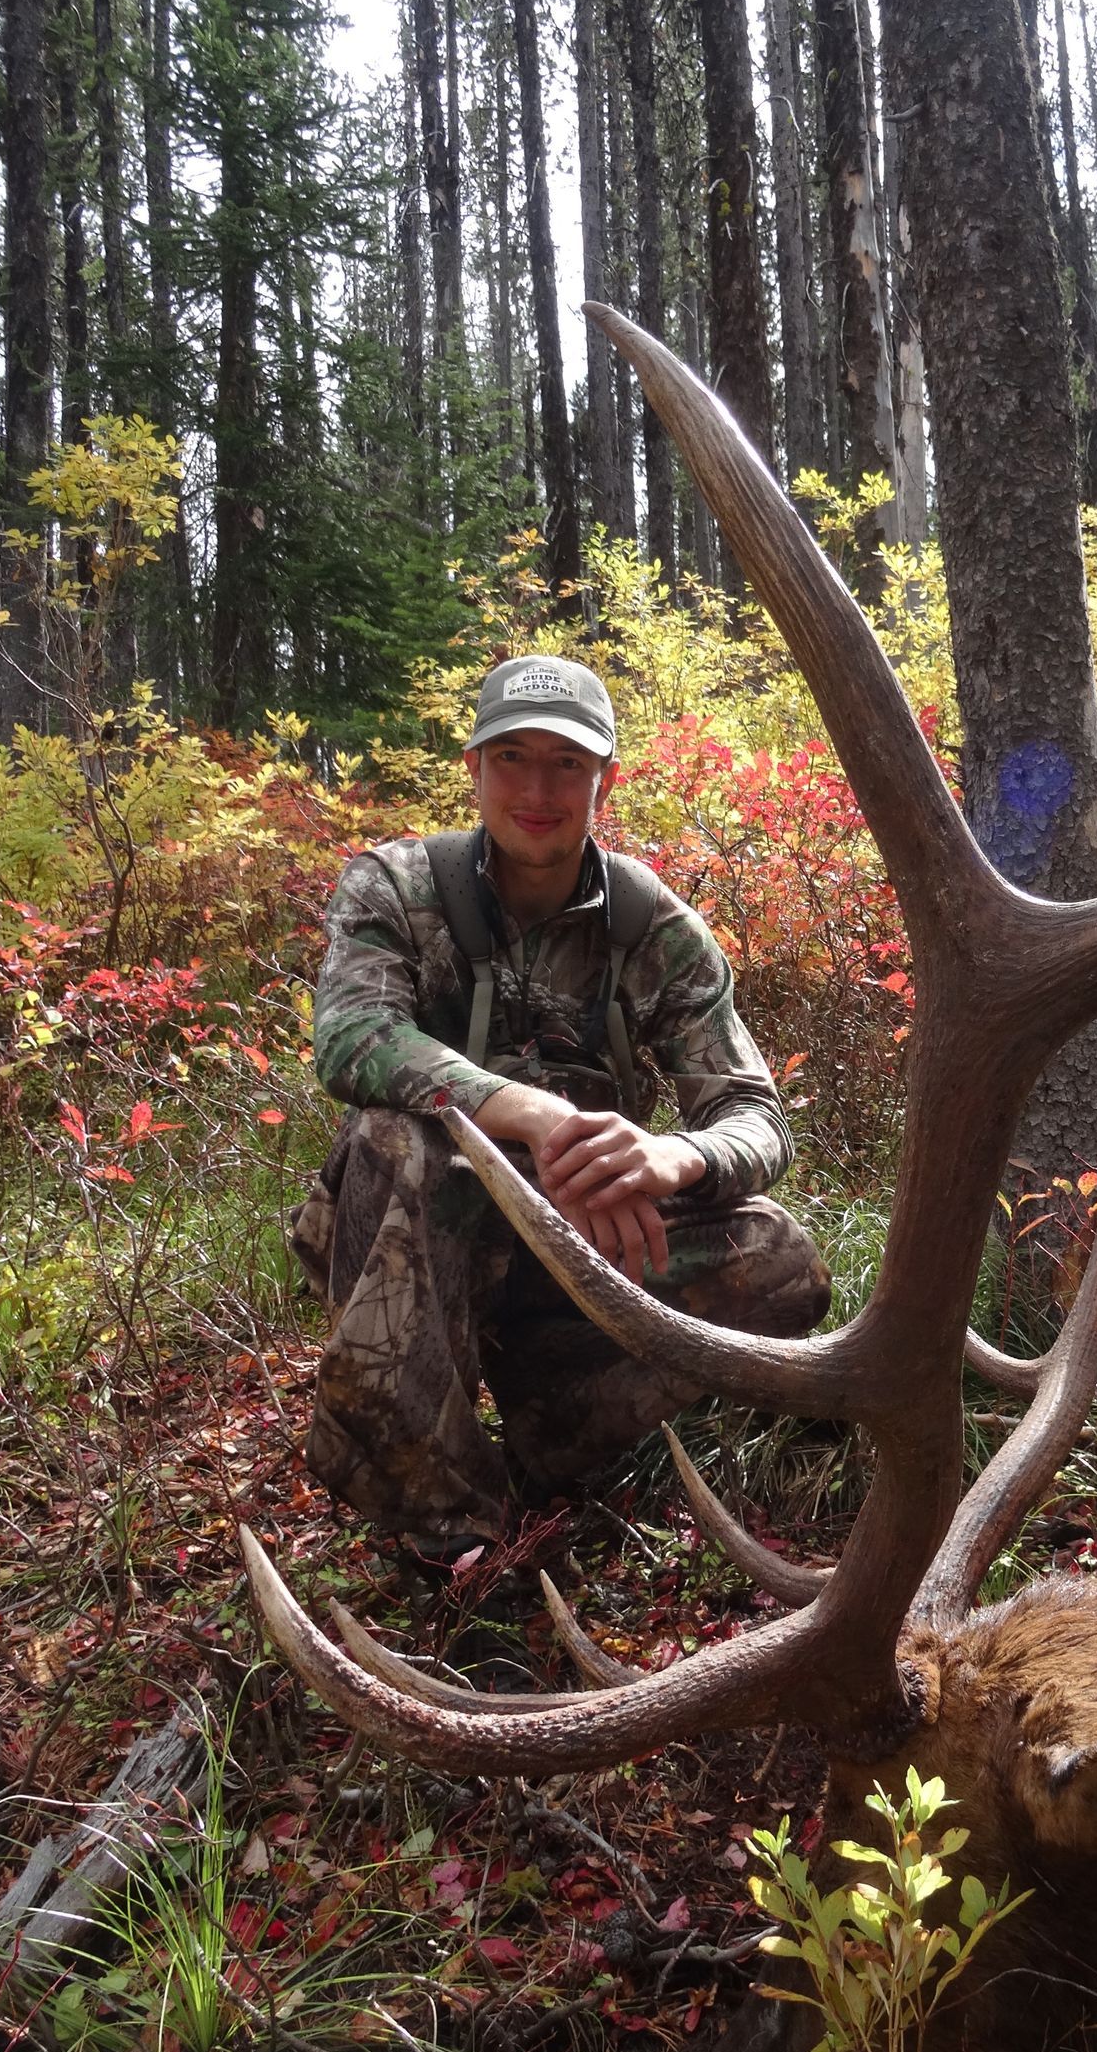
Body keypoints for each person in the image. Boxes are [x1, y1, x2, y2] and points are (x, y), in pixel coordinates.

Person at [291, 654, 831, 1552]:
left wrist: (671, 1159)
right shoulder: (392, 888)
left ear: (604, 780)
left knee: (779, 1261)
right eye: (512, 757)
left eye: (567, 764)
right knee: (399, 1141)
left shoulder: (654, 928)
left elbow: (754, 1113)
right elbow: (351, 1039)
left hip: (580, 1247)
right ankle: (446, 1529)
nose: (537, 788)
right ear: (473, 767)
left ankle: (559, 1431)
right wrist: (534, 1117)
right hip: (420, 1240)